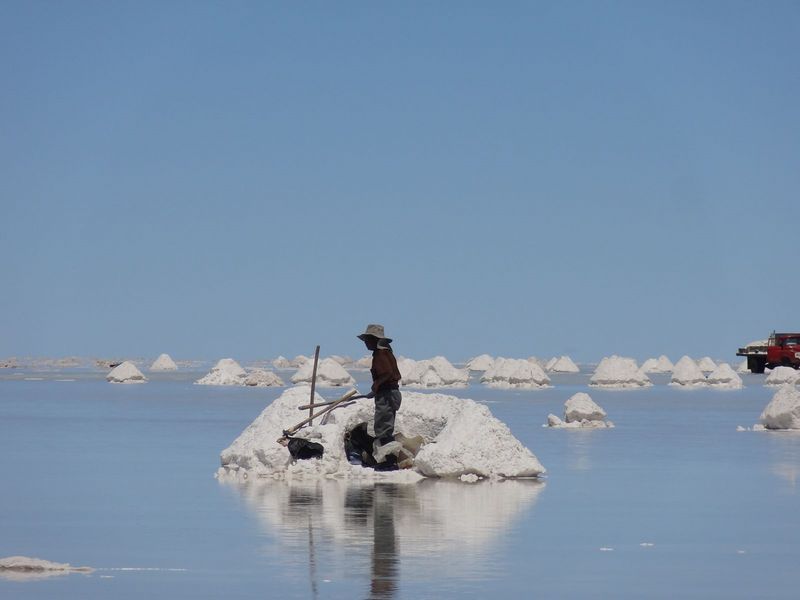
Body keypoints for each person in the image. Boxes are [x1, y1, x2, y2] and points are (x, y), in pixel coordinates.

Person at [357, 324, 402, 470]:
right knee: (384, 427)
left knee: (383, 429)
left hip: (387, 394)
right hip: (388, 392)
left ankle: (389, 461)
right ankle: (386, 459)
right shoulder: (385, 353)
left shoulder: (381, 354)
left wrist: (376, 385)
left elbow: (387, 373)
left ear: (374, 340)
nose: (365, 343)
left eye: (367, 340)